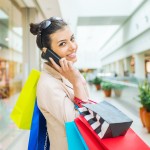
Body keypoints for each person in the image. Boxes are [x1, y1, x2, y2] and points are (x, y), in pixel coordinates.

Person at [30, 17, 90, 150]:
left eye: (72, 39)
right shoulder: (48, 85)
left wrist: (76, 80)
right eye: (63, 43)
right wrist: (77, 82)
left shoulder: (68, 73)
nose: (73, 47)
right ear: (47, 53)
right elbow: (80, 126)